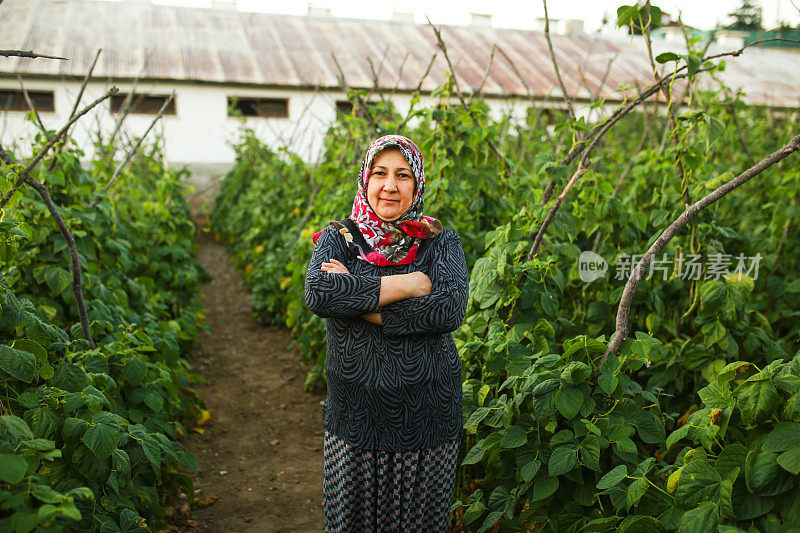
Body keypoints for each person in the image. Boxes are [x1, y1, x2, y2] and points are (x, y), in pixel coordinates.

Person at [304, 134, 469, 532]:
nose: (390, 186)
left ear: (418, 184)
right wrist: (409, 284)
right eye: (380, 173)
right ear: (365, 179)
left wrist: (360, 301)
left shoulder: (440, 242)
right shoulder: (339, 238)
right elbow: (321, 293)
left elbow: (447, 309)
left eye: (403, 175)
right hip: (355, 417)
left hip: (427, 417)